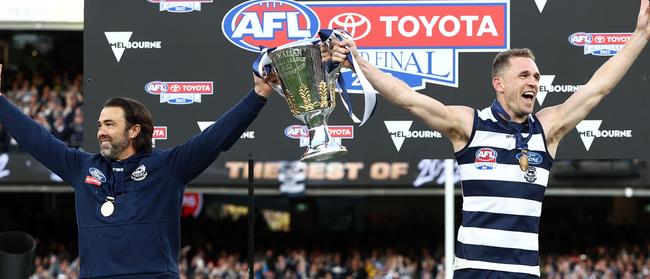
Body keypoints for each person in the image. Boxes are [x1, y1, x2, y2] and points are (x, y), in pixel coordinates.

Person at [323, 0, 649, 278]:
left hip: (524, 272)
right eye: (524, 75)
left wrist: (641, 35)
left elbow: (598, 87)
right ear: (499, 83)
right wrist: (357, 62)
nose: (533, 82)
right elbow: (407, 98)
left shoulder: (547, 129)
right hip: (473, 269)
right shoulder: (470, 125)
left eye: (536, 76)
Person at [0, 63, 275, 278]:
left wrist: (258, 96)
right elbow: (36, 139)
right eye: (99, 125)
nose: (101, 132)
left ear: (134, 130)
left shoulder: (168, 167)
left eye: (109, 124)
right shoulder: (82, 167)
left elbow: (216, 137)